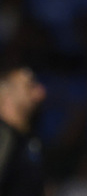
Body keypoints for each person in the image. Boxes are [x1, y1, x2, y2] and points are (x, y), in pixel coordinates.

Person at [0, 63, 47, 196]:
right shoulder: (3, 137)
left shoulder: (31, 140)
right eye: (29, 86)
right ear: (7, 94)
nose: (41, 91)